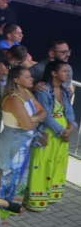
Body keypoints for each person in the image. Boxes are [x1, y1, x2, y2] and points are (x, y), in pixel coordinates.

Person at [0, 67, 46, 217]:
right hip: (11, 143)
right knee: (1, 176)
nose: (32, 79)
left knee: (13, 178)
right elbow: (27, 126)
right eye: (28, 77)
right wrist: (34, 120)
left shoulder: (26, 93)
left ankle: (6, 209)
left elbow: (43, 111)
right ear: (17, 80)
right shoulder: (13, 98)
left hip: (23, 144)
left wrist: (34, 119)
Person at [28, 60, 76, 211]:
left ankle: (48, 196)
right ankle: (34, 201)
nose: (68, 74)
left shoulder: (65, 91)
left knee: (56, 162)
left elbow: (69, 112)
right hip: (48, 132)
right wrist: (63, 132)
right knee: (42, 164)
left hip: (62, 133)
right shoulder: (43, 91)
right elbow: (45, 115)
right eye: (64, 71)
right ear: (54, 73)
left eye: (68, 71)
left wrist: (71, 127)